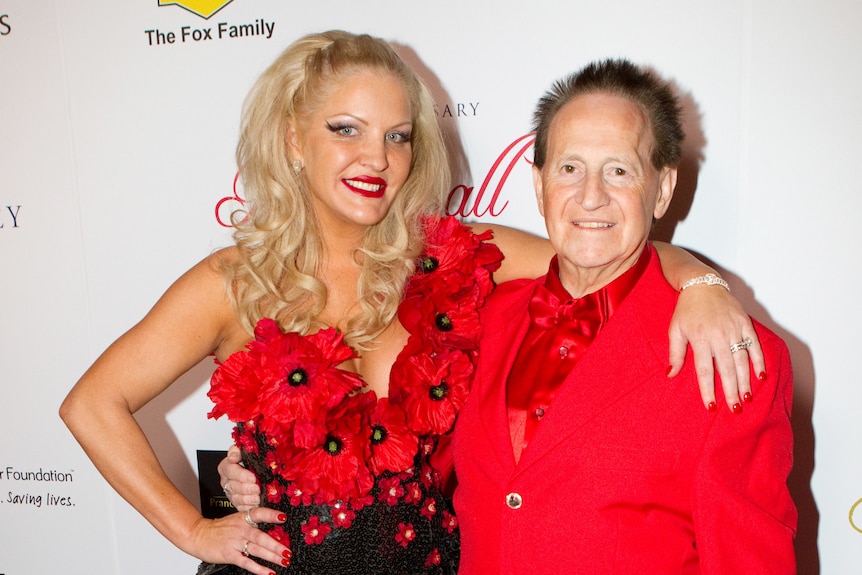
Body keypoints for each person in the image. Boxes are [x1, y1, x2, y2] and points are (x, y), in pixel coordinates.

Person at [61, 31, 764, 575]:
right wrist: (192, 527)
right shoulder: (233, 282)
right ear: (292, 141)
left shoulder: (450, 256)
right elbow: (92, 403)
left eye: (398, 136)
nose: (377, 158)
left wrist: (698, 280)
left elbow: (595, 244)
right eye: (346, 130)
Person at [450, 59, 797, 574]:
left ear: (661, 190)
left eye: (619, 170)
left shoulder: (734, 353)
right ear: (539, 182)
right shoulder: (478, 318)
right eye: (570, 168)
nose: (591, 195)